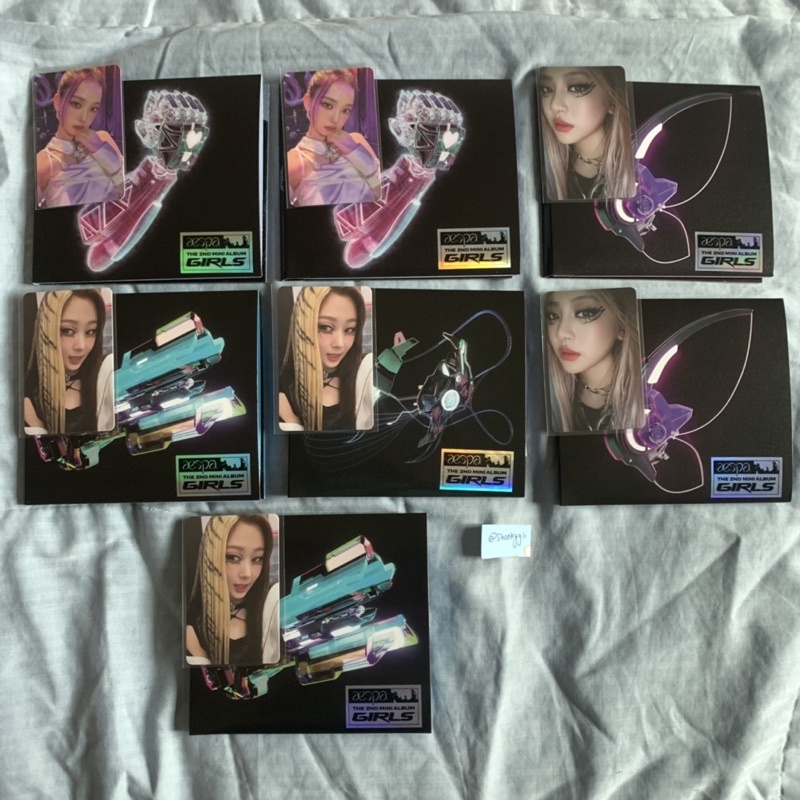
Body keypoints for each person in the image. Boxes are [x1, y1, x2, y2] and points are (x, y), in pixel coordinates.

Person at [544, 289, 644, 433]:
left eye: (585, 313)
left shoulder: (649, 395)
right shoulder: (545, 398)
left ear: (622, 326)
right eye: (553, 316)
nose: (561, 333)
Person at [185, 515, 280, 666]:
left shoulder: (274, 604)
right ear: (210, 558)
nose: (247, 574)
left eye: (257, 559)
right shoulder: (192, 625)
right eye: (233, 557)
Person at [278, 286, 373, 432]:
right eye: (326, 327)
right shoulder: (281, 389)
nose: (340, 344)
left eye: (350, 329)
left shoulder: (367, 371)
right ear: (302, 328)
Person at [23, 289, 114, 435]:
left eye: (91, 331)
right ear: (45, 332)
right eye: (68, 331)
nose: (81, 346)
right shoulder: (28, 398)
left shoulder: (108, 372)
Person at [285, 69, 381, 207]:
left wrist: (354, 151)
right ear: (308, 102)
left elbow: (384, 196)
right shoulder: (293, 162)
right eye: (328, 105)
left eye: (345, 110)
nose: (336, 119)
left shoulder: (356, 140)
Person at [538, 66, 635, 201]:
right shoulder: (540, 169)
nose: (554, 105)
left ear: (612, 100)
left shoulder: (641, 162)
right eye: (546, 89)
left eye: (577, 88)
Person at [36, 67, 124, 208]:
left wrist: (101, 150)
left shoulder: (103, 139)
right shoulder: (43, 163)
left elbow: (129, 195)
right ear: (58, 102)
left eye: (93, 109)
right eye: (76, 104)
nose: (84, 118)